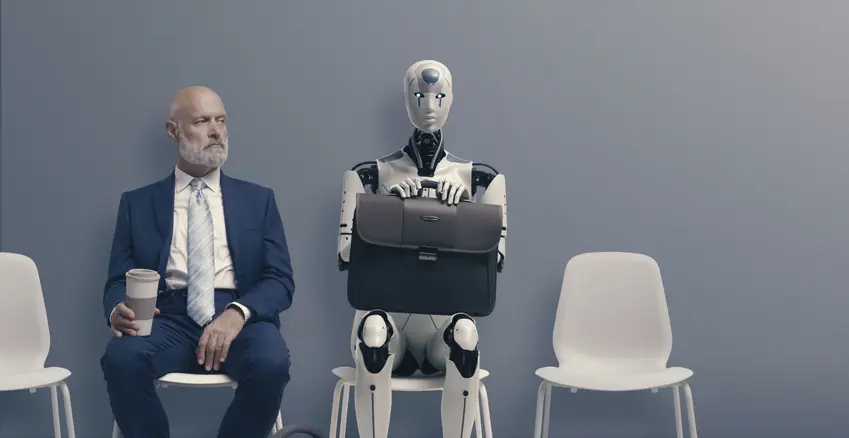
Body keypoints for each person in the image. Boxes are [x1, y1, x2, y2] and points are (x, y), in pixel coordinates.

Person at [100, 86, 295, 438]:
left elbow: (280, 280)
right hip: (166, 318)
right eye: (202, 121)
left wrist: (237, 314)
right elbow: (117, 279)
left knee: (272, 362)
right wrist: (116, 308)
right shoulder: (136, 203)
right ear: (173, 131)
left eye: (221, 120)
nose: (216, 131)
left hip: (239, 317)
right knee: (121, 359)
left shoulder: (259, 200)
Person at [337, 60, 507, 438]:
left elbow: (493, 260)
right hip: (387, 319)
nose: (429, 106)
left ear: (451, 99)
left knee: (466, 335)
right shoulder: (368, 175)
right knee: (374, 331)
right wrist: (388, 209)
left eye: (439, 96)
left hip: (442, 329)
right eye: (419, 95)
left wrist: (464, 210)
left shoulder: (481, 178)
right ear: (406, 98)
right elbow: (347, 255)